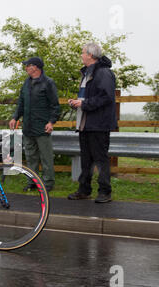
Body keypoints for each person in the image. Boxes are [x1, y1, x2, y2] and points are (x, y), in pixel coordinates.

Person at [67, 42, 117, 203]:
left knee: (100, 159)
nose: (81, 55)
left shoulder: (103, 73)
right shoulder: (87, 73)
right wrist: (77, 102)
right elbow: (88, 98)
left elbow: (106, 97)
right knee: (86, 159)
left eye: (83, 53)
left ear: (90, 55)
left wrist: (84, 104)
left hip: (98, 124)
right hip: (85, 124)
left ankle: (105, 192)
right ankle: (84, 190)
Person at [9, 57, 61, 192]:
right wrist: (15, 117)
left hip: (43, 127)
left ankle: (48, 184)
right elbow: (21, 103)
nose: (26, 68)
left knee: (46, 157)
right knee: (31, 157)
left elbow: (55, 105)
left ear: (36, 67)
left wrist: (51, 122)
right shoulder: (26, 84)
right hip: (28, 127)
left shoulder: (48, 83)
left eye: (28, 66)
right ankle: (32, 182)